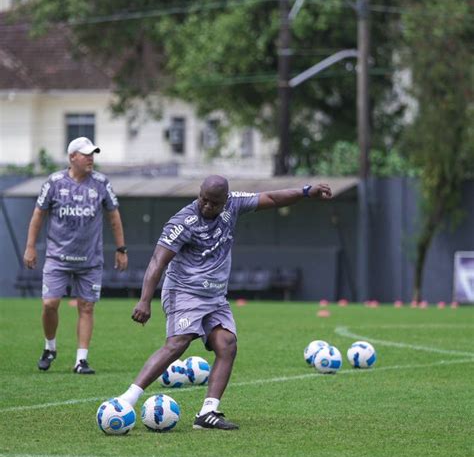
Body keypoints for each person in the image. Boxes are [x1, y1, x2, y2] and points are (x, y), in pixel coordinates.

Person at [116, 174, 332, 430]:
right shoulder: (182, 222)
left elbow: (272, 198)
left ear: (224, 200)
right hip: (184, 291)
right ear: (199, 194)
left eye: (214, 203)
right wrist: (144, 301)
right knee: (177, 343)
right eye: (204, 199)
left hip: (215, 297)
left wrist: (306, 191)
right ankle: (128, 399)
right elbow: (157, 262)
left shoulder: (234, 204)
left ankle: (208, 413)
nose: (207, 206)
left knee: (227, 343)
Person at [23, 136, 128, 374]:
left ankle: (81, 360)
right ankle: (50, 347)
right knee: (50, 304)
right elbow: (38, 215)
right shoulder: (54, 182)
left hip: (90, 261)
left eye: (93, 154)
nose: (91, 158)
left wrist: (121, 249)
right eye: (86, 154)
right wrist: (30, 247)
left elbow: (114, 216)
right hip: (57, 258)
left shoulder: (101, 183)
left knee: (87, 307)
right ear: (73, 157)